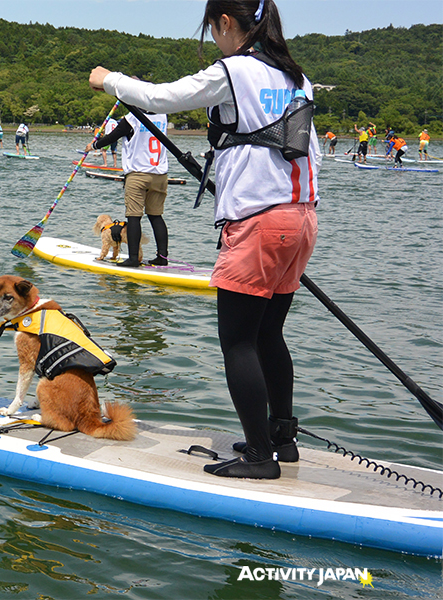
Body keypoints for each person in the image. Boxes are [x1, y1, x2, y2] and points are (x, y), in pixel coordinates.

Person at [90, 0, 320, 479]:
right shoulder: (296, 78)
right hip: (300, 220)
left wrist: (108, 78)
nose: (214, 40)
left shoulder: (236, 70)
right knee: (269, 334)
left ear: (226, 22)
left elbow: (160, 97)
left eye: (213, 30)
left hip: (258, 224)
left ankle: (260, 458)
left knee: (238, 343)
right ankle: (282, 439)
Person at [85, 111, 171, 266]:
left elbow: (112, 137)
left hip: (138, 174)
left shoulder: (132, 119)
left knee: (134, 217)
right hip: (159, 174)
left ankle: (132, 258)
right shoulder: (162, 116)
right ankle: (162, 258)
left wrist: (93, 146)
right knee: (156, 216)